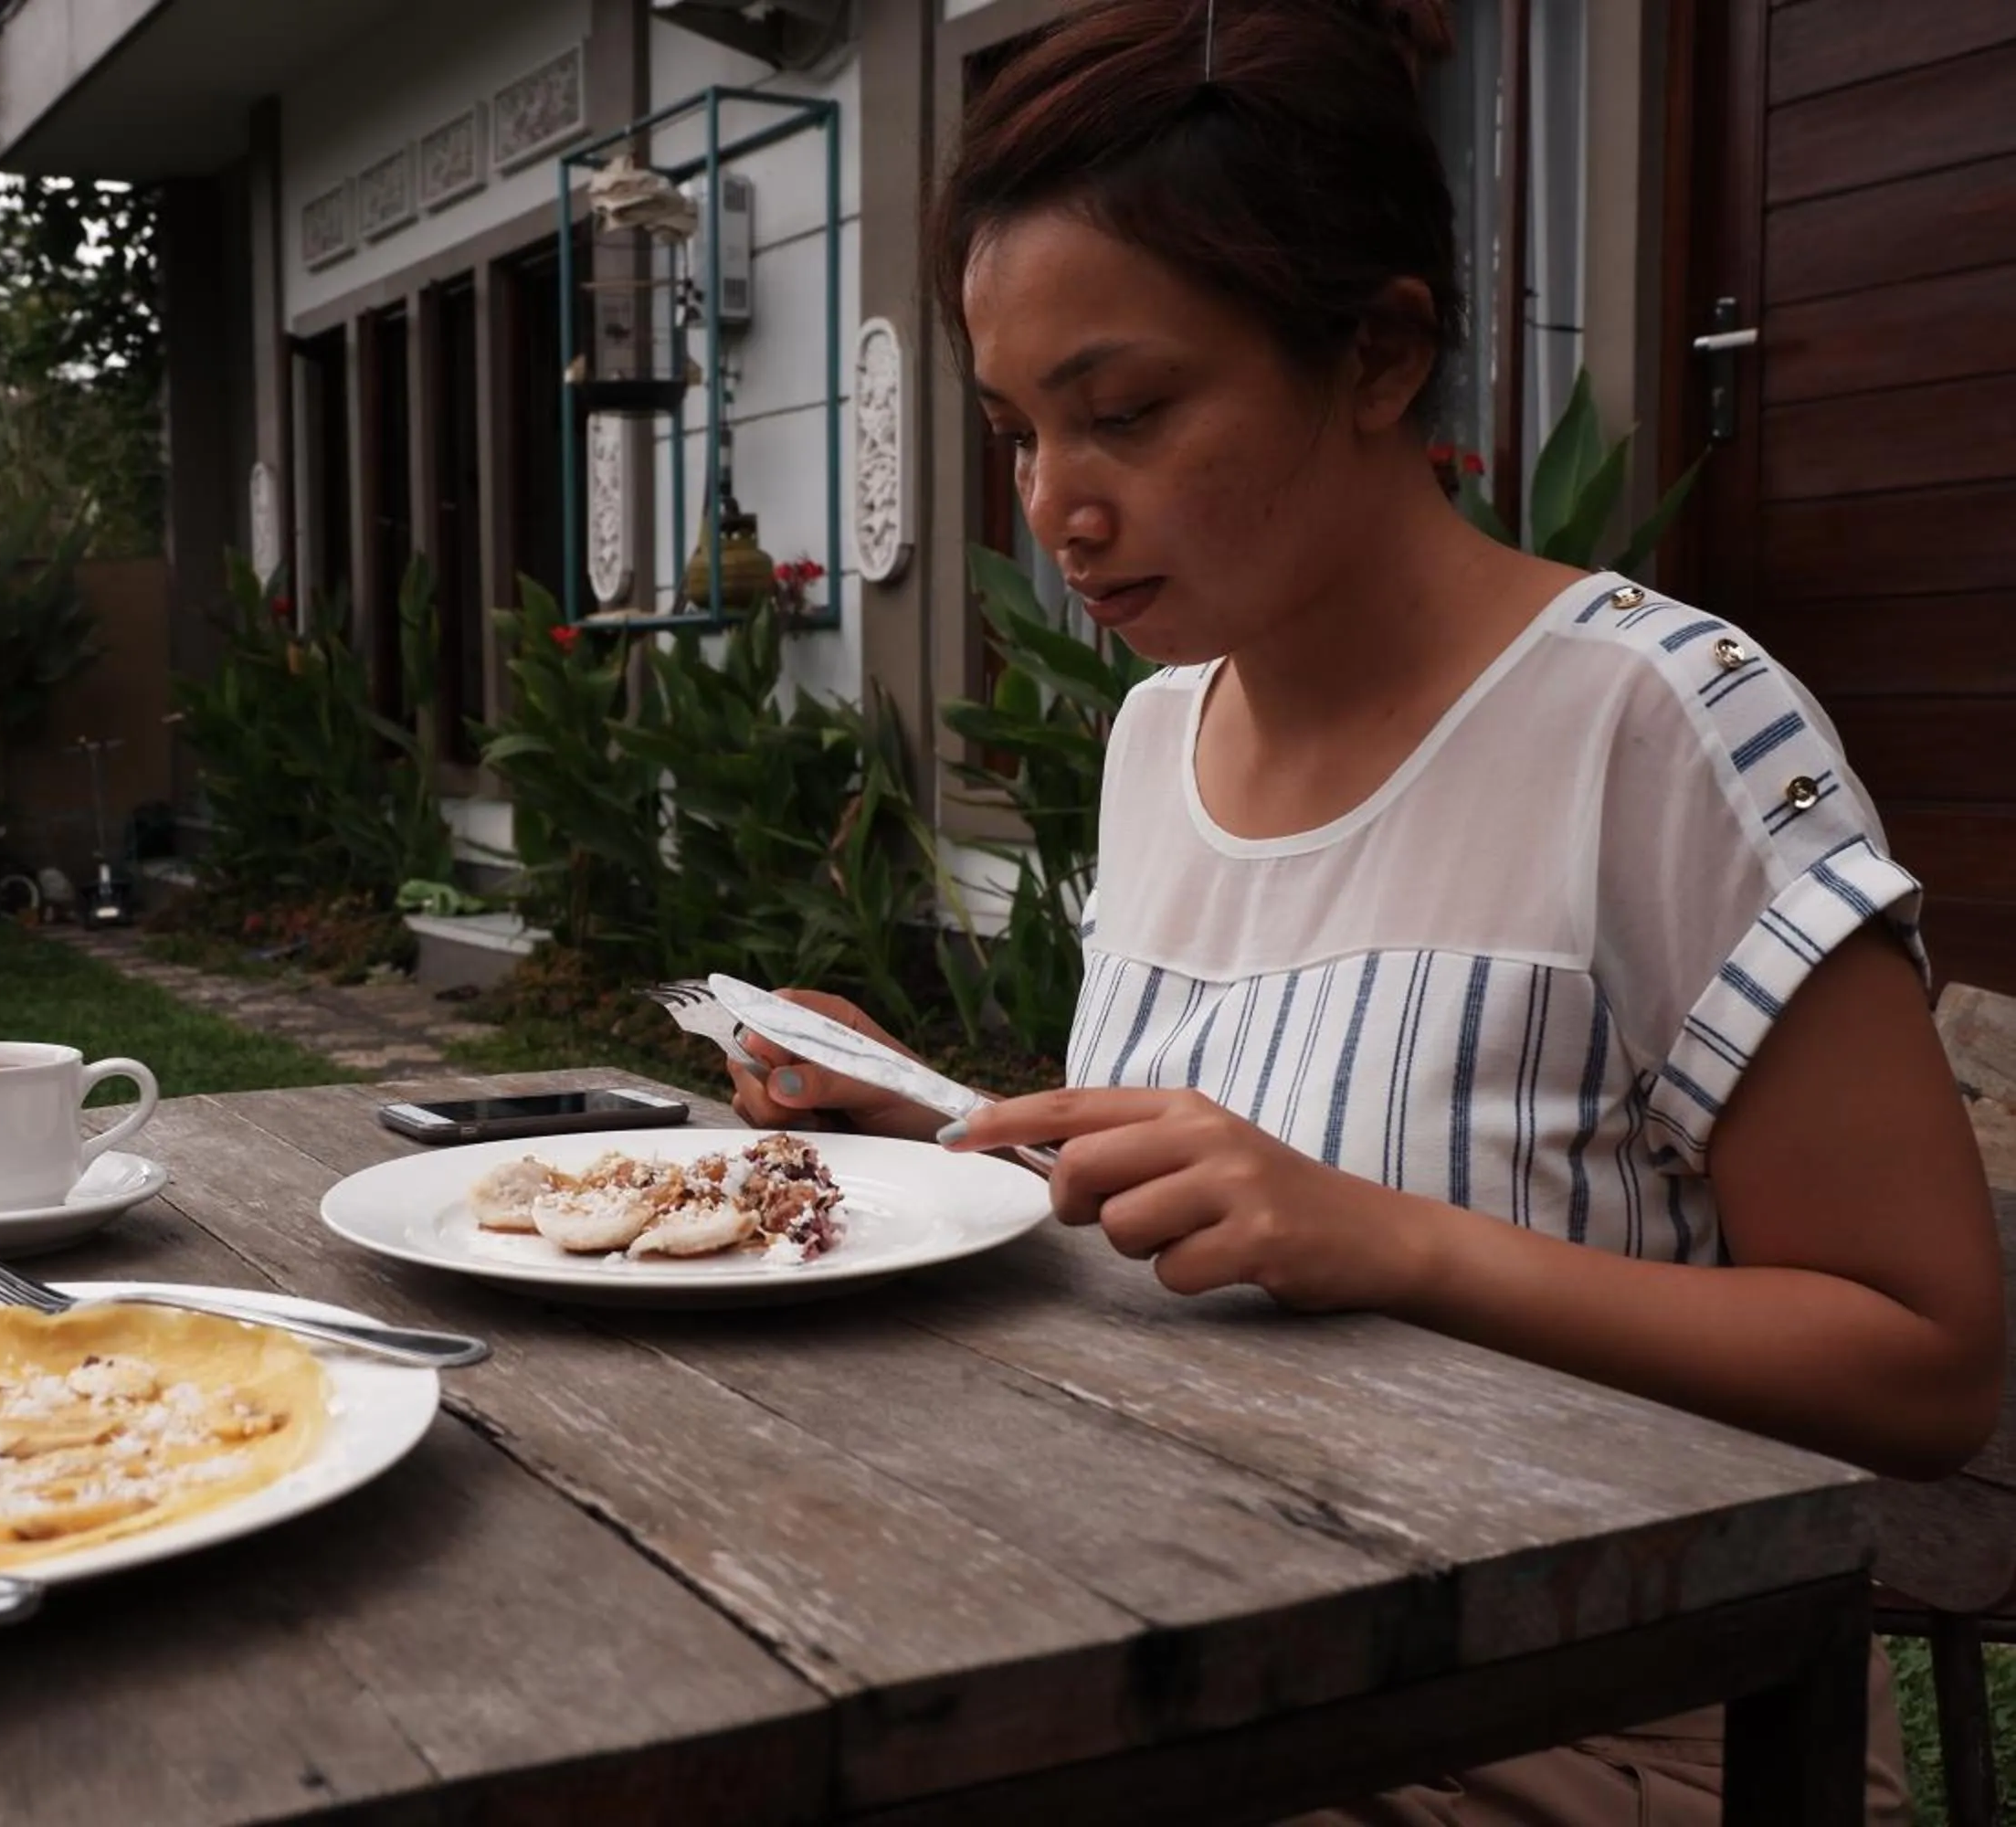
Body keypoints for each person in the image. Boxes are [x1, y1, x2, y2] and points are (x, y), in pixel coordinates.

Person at [727, 2, 2002, 1818]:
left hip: (1614, 1708)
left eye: (1129, 412)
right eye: (1019, 432)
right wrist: (929, 1113)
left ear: (1382, 353)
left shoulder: (1659, 726)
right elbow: (1229, 1198)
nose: (1058, 512)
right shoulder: (1163, 735)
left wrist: (1395, 1243)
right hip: (1212, 1636)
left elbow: (1930, 1360)